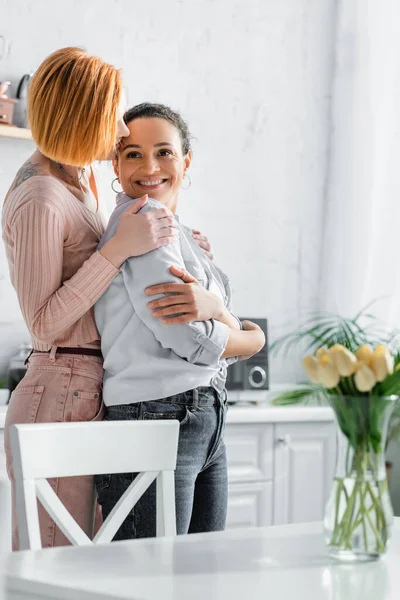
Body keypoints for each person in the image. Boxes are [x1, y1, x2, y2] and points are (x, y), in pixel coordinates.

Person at [1, 49, 210, 550]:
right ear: (82, 116)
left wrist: (177, 240)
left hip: (90, 389)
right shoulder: (41, 198)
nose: (120, 129)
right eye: (110, 112)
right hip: (59, 393)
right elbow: (45, 325)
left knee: (101, 569)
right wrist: (118, 249)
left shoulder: (79, 180)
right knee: (61, 569)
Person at [94, 103, 266, 539]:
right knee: (152, 581)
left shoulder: (177, 230)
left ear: (186, 160)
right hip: (156, 415)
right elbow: (188, 336)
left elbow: (209, 315)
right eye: (132, 153)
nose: (149, 166)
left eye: (164, 152)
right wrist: (253, 340)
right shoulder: (144, 222)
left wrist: (221, 314)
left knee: (197, 578)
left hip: (198, 413)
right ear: (115, 163)